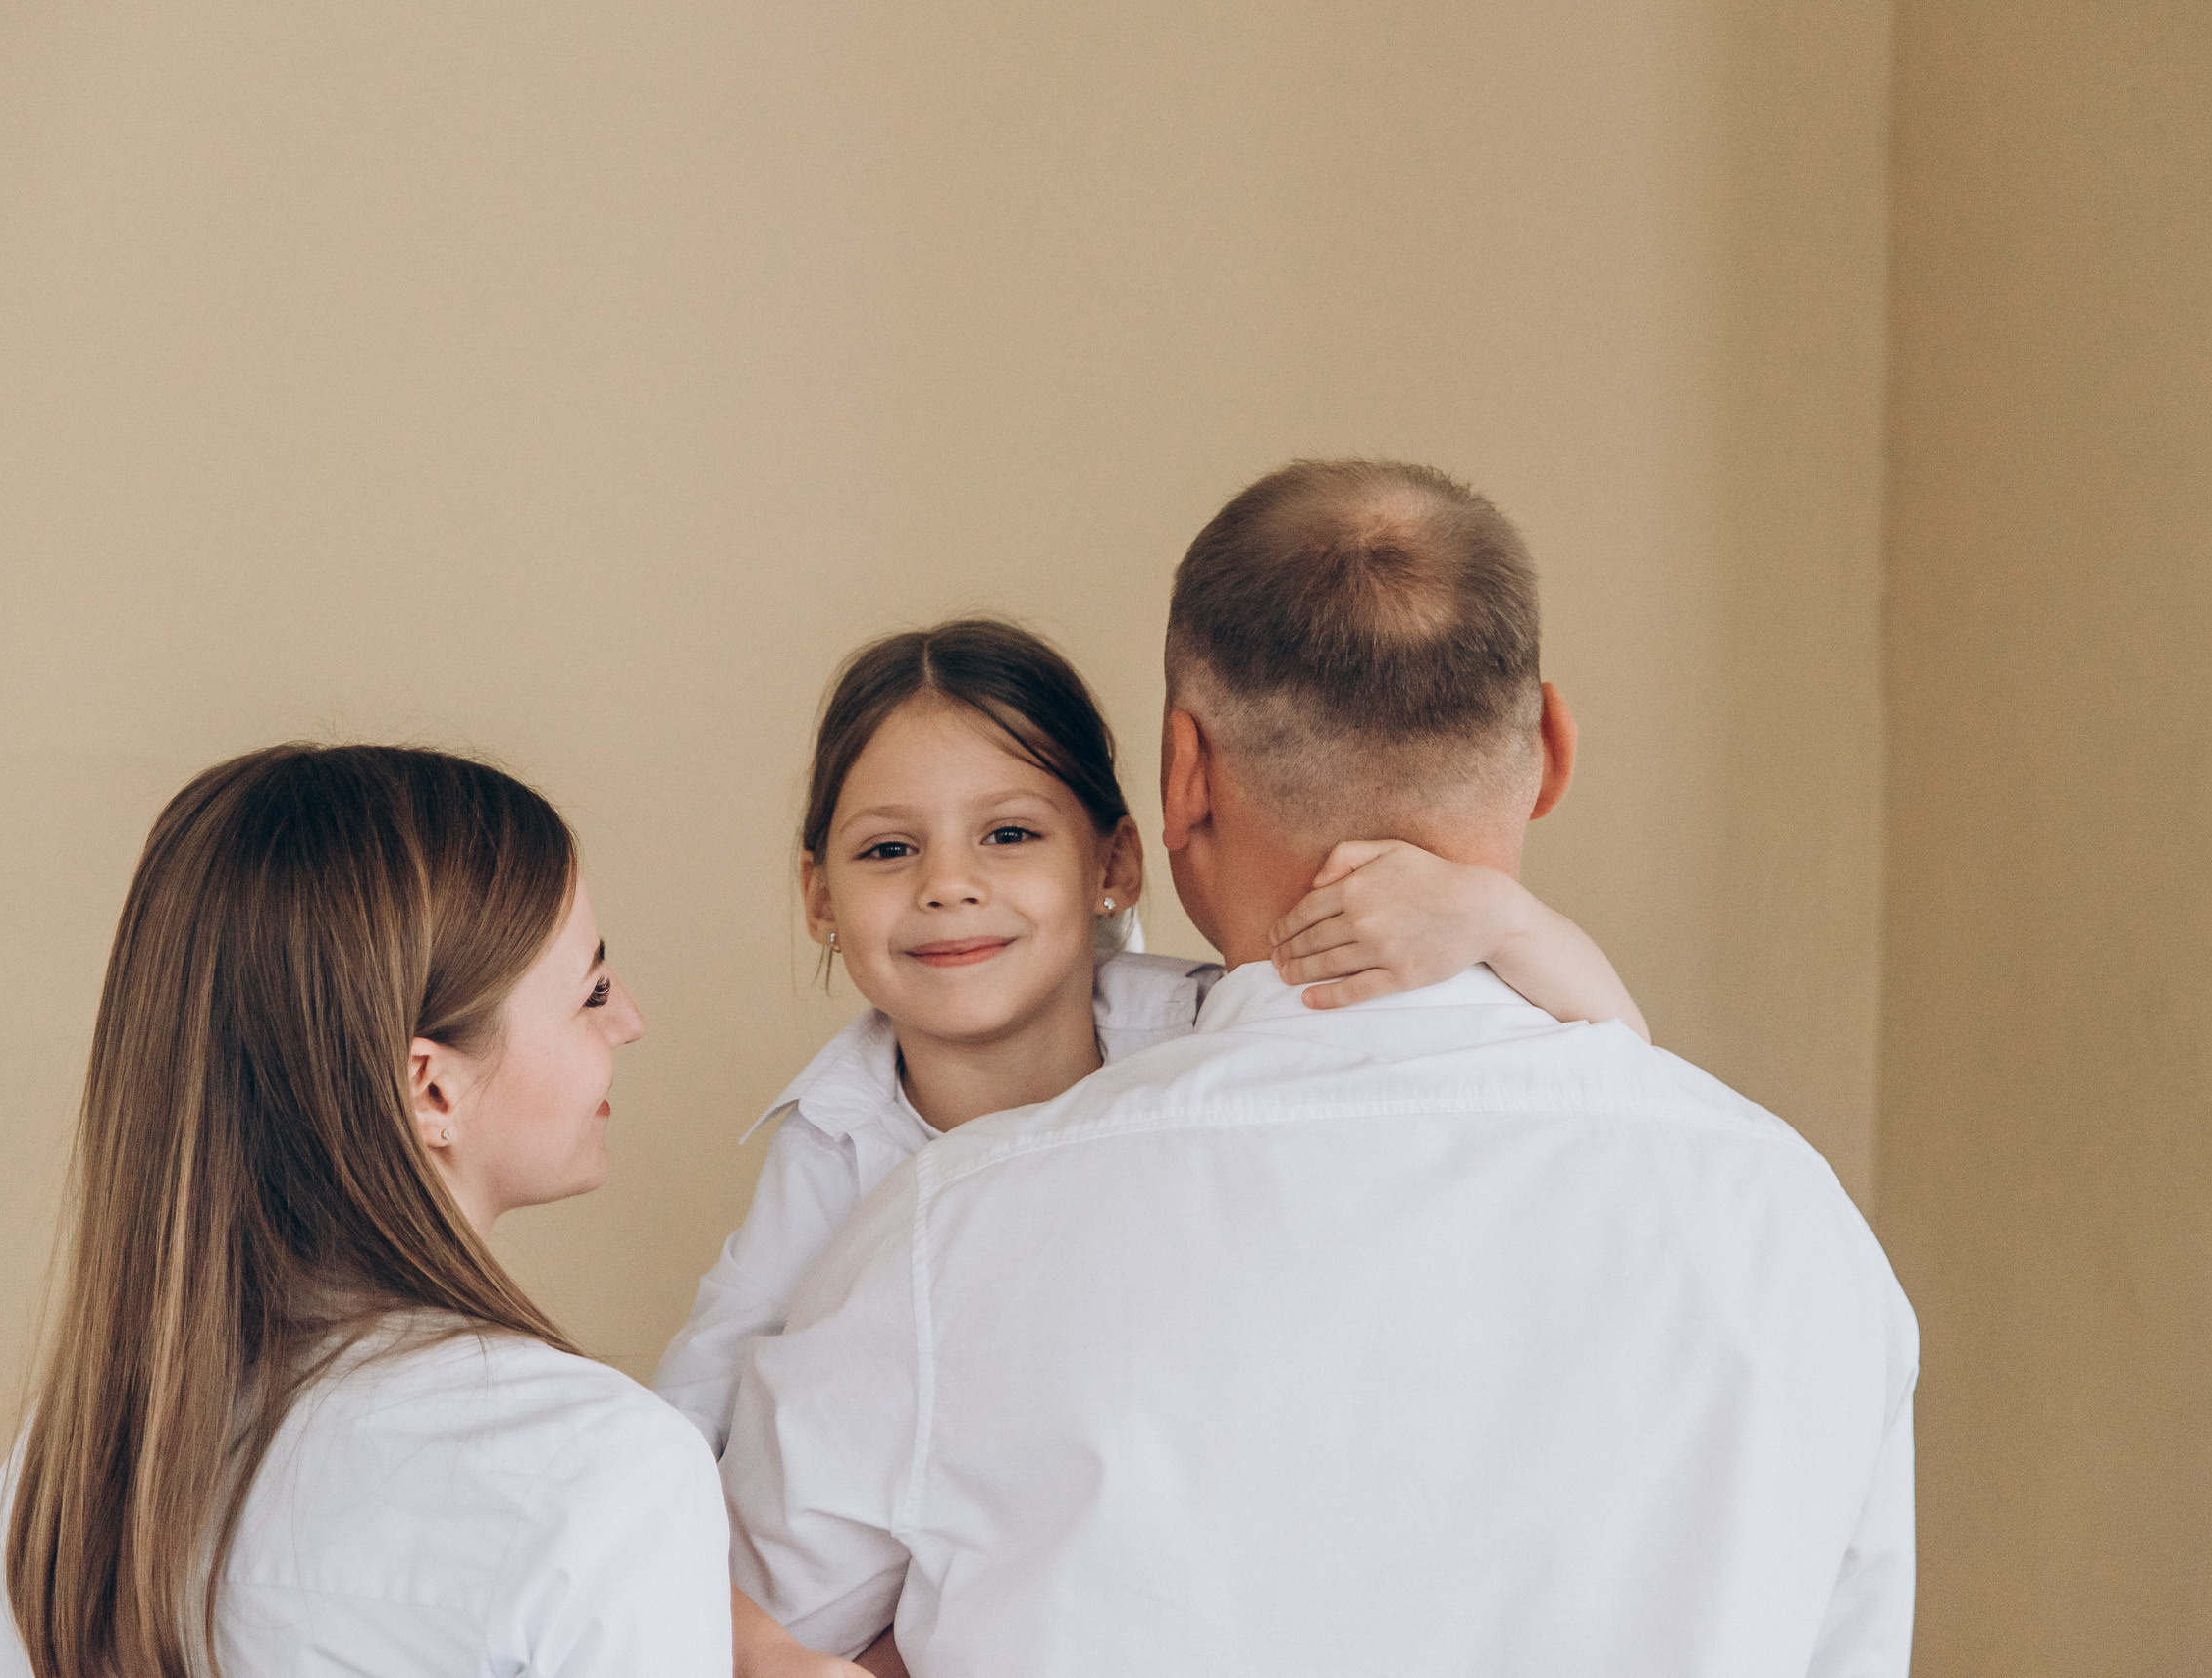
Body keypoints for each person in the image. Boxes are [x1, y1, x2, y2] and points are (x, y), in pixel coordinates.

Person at [720, 462, 1918, 1676]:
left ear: (1180, 778)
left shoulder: (948, 1235)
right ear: (1551, 748)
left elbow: (687, 1624)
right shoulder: (1794, 1225)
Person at [666, 617, 1647, 1676]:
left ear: (1117, 863)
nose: (948, 884)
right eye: (888, 849)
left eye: (1008, 835)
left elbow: (1613, 1059)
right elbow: (683, 1434)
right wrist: (774, 1652)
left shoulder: (1215, 1032)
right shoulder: (829, 1148)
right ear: (819, 897)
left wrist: (1503, 918)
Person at [0, 746, 731, 1678]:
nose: (629, 1019)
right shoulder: (603, 1470)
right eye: (592, 990)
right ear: (429, 1089)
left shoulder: (62, 1479)